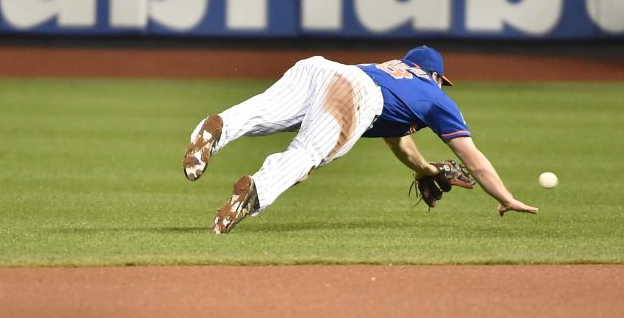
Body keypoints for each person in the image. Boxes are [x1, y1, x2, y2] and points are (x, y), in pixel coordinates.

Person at [182, 46, 538, 234]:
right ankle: (257, 190)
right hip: (356, 91)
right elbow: (472, 158)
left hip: (323, 68)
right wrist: (506, 197)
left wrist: (426, 169)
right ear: (436, 75)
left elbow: (397, 140)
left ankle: (217, 128)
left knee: (264, 113)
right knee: (309, 151)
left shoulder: (390, 70)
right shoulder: (435, 96)